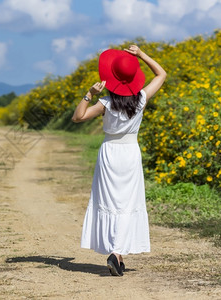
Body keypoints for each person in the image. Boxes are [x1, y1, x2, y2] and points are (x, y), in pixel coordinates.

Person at [71, 45, 166, 276]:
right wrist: (141, 55)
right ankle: (117, 252)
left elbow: (77, 117)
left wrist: (89, 94)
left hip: (110, 153)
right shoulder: (141, 98)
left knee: (110, 203)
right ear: (133, 78)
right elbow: (161, 74)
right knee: (127, 203)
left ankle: (115, 252)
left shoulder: (106, 103)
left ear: (111, 78)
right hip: (131, 153)